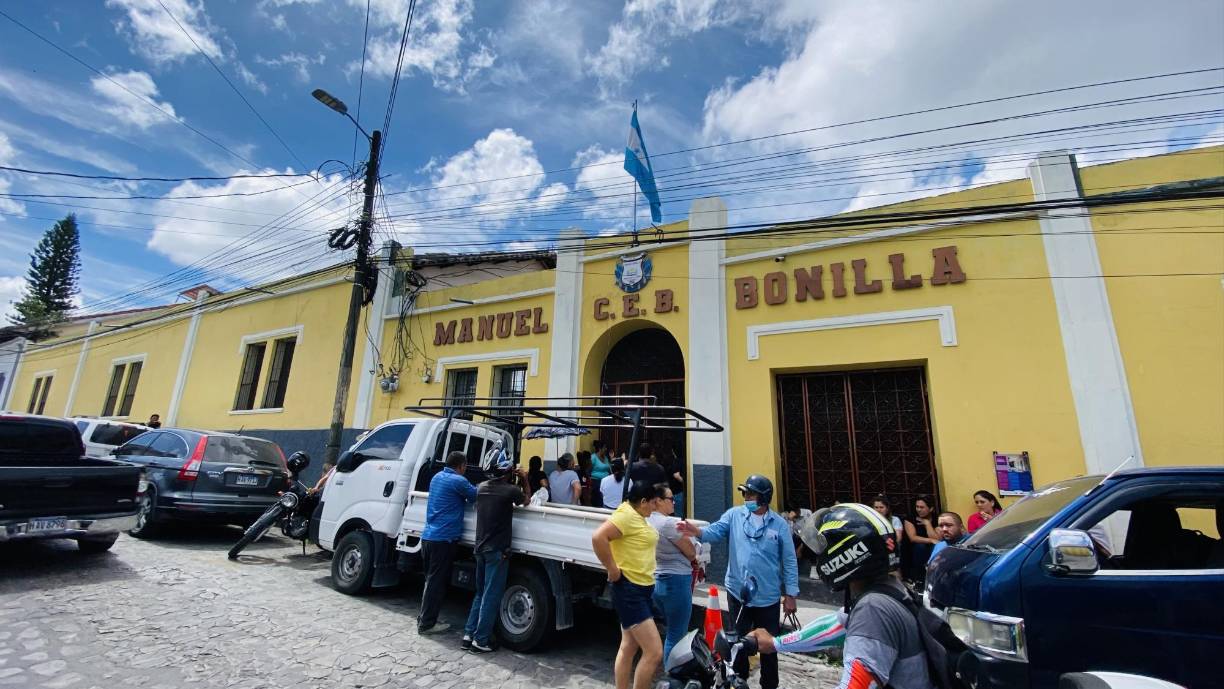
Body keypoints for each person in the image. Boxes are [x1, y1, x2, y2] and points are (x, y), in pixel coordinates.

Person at [751, 504, 934, 689]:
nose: (818, 556)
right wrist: (775, 644)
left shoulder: (873, 609)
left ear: (844, 553)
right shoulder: (890, 589)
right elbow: (837, 625)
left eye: (822, 549)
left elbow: (857, 684)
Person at [678, 475, 798, 689]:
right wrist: (698, 532)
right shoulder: (734, 515)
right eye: (745, 494)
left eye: (750, 494)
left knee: (769, 647)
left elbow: (789, 560)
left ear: (763, 498)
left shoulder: (778, 525)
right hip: (737, 594)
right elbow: (716, 531)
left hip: (768, 597)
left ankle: (769, 685)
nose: (746, 498)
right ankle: (736, 683)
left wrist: (791, 594)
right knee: (736, 644)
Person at [591, 481, 670, 689]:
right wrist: (612, 569)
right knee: (654, 652)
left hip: (641, 589)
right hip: (630, 591)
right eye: (653, 503)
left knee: (628, 646)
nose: (655, 507)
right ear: (643, 501)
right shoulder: (626, 515)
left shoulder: (638, 515)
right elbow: (599, 537)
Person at [462, 455, 526, 654]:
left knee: (480, 593)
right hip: (497, 550)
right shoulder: (510, 490)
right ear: (508, 473)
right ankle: (480, 640)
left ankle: (468, 634)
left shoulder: (481, 488)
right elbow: (527, 501)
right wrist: (523, 478)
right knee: (491, 595)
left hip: (479, 547)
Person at [418, 450, 477, 635]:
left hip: (428, 536)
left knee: (430, 581)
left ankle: (424, 617)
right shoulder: (458, 481)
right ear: (461, 466)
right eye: (465, 467)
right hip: (443, 539)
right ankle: (427, 624)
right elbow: (475, 495)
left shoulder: (437, 477)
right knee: (436, 583)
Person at [648, 485, 698, 662]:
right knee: (676, 634)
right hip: (676, 580)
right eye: (670, 498)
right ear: (658, 501)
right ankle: (673, 675)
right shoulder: (667, 523)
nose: (674, 502)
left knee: (671, 630)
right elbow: (691, 552)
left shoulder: (647, 521)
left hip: (658, 578)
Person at [903, 495, 940, 581]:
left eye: (922, 507)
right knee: (920, 546)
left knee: (937, 547)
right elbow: (913, 538)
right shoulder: (910, 518)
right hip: (912, 549)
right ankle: (919, 578)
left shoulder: (937, 518)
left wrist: (927, 524)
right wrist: (930, 540)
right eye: (917, 507)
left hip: (930, 548)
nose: (918, 509)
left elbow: (937, 539)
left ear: (931, 509)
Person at [871, 495, 905, 578]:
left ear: (887, 508)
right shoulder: (869, 521)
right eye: (876, 507)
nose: (878, 510)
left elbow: (898, 538)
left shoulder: (894, 520)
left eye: (881, 507)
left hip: (891, 547)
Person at [662, 447, 686, 519]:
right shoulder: (684, 461)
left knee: (677, 513)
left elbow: (676, 475)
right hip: (680, 491)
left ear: (674, 452)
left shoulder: (677, 461)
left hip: (676, 491)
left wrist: (685, 484)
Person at [590, 440, 612, 506]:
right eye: (604, 447)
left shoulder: (605, 458)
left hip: (606, 482)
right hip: (596, 482)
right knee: (599, 501)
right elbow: (588, 470)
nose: (606, 449)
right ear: (600, 448)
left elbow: (609, 468)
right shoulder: (593, 457)